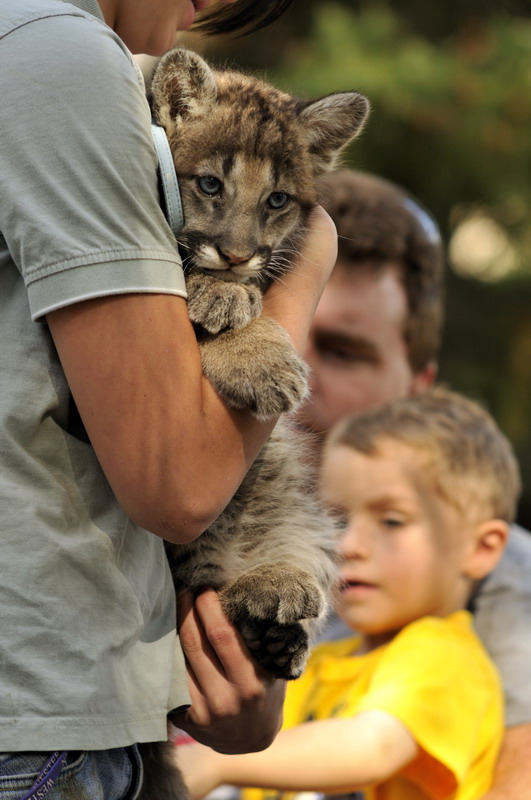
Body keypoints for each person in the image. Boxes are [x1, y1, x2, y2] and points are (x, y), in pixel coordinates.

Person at [0, 0, 339, 795]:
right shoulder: (61, 53)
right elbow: (178, 483)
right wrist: (301, 277)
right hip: (41, 721)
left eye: (276, 208)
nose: (239, 243)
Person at [294, 169, 531, 800]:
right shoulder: (170, 521)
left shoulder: (498, 583)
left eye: (342, 351)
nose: (293, 374)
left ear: (415, 392)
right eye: (279, 331)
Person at [176, 387, 519, 800]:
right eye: (336, 517)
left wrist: (215, 761)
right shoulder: (320, 660)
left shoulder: (445, 657)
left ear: (480, 549)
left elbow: (374, 746)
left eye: (391, 521)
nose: (349, 544)